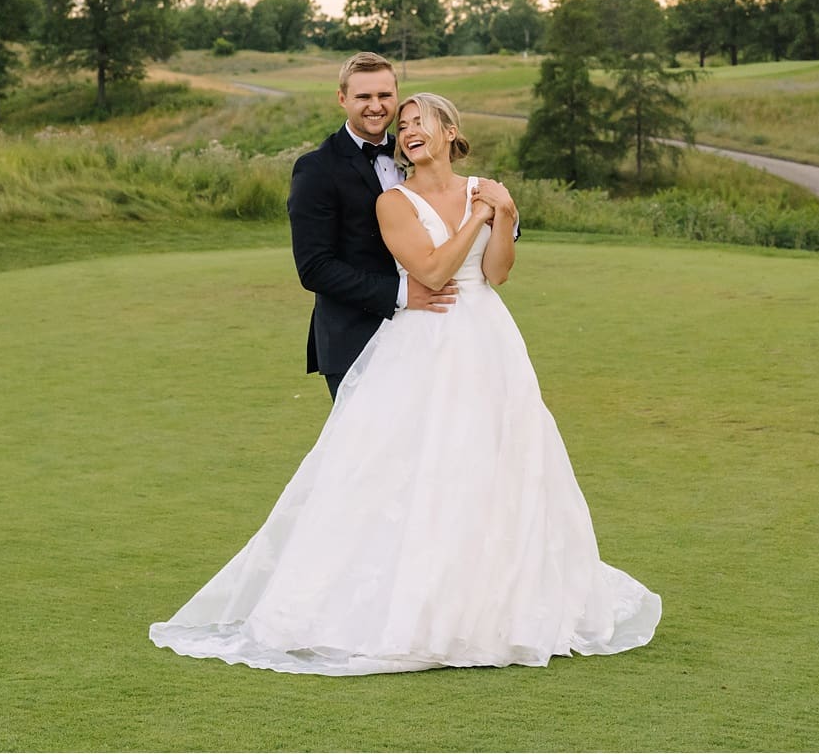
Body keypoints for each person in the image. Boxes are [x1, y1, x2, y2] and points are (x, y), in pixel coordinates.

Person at [149, 91, 661, 675]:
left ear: (450, 131)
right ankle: (410, 608)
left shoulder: (485, 189)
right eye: (405, 125)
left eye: (422, 122)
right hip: (424, 340)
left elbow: (494, 274)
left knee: (495, 462)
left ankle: (493, 601)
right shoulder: (393, 201)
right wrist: (479, 216)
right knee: (418, 466)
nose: (410, 130)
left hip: (489, 341)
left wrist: (508, 216)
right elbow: (434, 271)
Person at [283, 51, 458, 402]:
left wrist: (497, 215)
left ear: (396, 95)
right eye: (363, 97)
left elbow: (449, 198)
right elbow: (314, 268)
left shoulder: (411, 150)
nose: (375, 106)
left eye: (384, 96)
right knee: (366, 455)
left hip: (421, 335)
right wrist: (403, 294)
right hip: (353, 339)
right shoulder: (316, 169)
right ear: (342, 98)